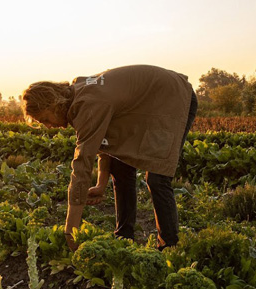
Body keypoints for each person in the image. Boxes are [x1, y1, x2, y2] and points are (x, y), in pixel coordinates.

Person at [21, 64, 198, 251]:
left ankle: (169, 248)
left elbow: (82, 165)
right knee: (121, 167)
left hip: (173, 98)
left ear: (54, 103)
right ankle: (124, 237)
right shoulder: (79, 96)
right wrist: (100, 184)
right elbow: (103, 142)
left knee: (157, 178)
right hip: (149, 102)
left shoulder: (88, 103)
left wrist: (70, 231)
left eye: (46, 119)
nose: (48, 126)